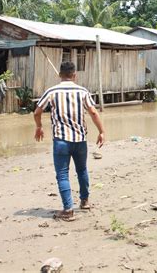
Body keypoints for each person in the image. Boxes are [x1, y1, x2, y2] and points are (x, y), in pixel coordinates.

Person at [34, 61, 105, 221]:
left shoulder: (51, 92)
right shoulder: (82, 91)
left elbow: (37, 112)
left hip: (61, 141)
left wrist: (39, 127)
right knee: (82, 170)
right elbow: (93, 112)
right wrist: (102, 131)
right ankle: (85, 201)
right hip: (80, 140)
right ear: (74, 75)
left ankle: (68, 209)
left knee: (62, 174)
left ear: (60, 75)